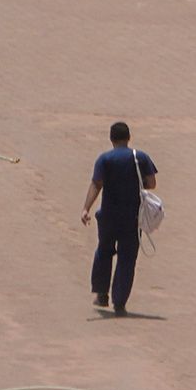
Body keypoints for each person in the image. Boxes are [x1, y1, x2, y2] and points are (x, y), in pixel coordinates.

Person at [80, 119, 154, 317]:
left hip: (109, 216)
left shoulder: (105, 159)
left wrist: (86, 208)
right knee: (127, 258)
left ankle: (102, 293)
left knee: (104, 251)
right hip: (132, 217)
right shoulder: (141, 157)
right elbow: (151, 183)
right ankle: (119, 302)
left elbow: (96, 184)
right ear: (129, 138)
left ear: (111, 138)